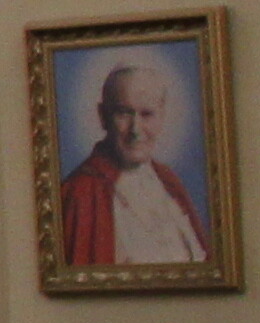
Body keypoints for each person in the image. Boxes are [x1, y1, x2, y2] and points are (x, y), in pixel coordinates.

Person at [58, 53, 216, 268]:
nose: (136, 130)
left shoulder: (168, 180)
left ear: (162, 117)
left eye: (147, 114)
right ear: (103, 116)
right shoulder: (80, 193)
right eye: (124, 113)